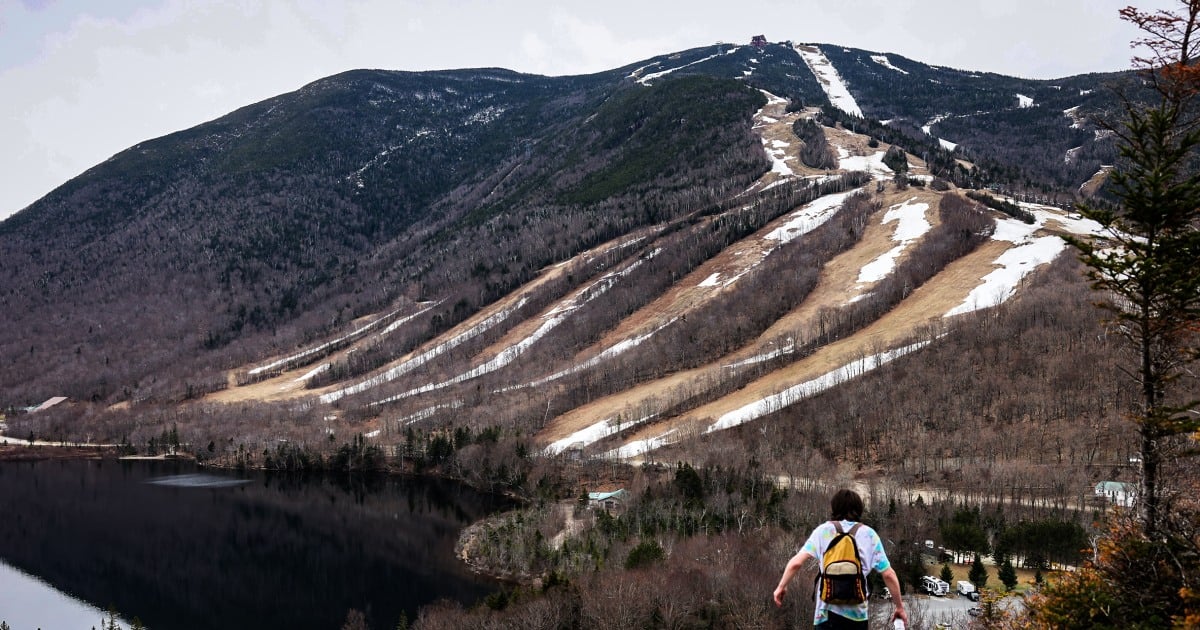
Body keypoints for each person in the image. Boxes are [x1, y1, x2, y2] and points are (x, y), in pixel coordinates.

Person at [773, 489, 907, 628]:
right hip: (857, 617)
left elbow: (796, 563)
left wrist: (781, 586)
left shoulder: (822, 531)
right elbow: (888, 574)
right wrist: (899, 607)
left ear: (834, 507)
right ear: (859, 509)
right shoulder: (869, 535)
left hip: (825, 615)